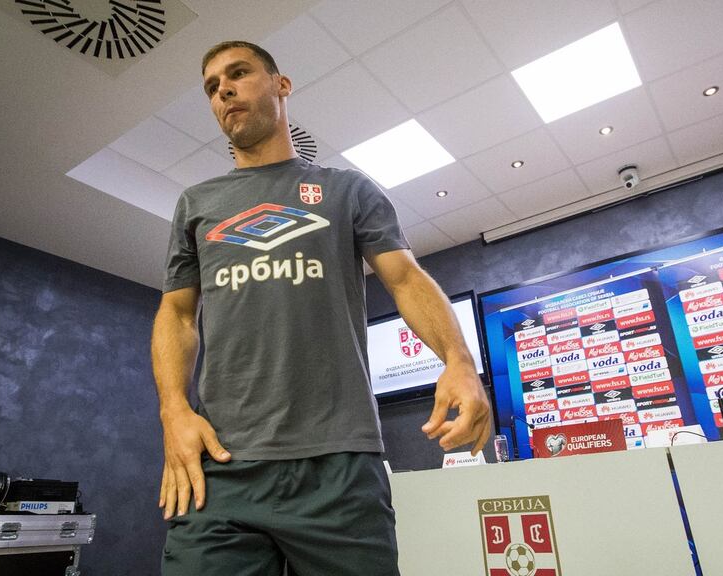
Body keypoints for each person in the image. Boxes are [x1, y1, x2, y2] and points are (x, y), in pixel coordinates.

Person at [151, 40, 491, 576]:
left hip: (339, 463)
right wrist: (174, 410)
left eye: (238, 74)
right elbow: (176, 315)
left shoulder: (345, 190)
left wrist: (459, 360)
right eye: (212, 87)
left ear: (281, 85)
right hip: (222, 464)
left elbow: (404, 278)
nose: (224, 91)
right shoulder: (196, 204)